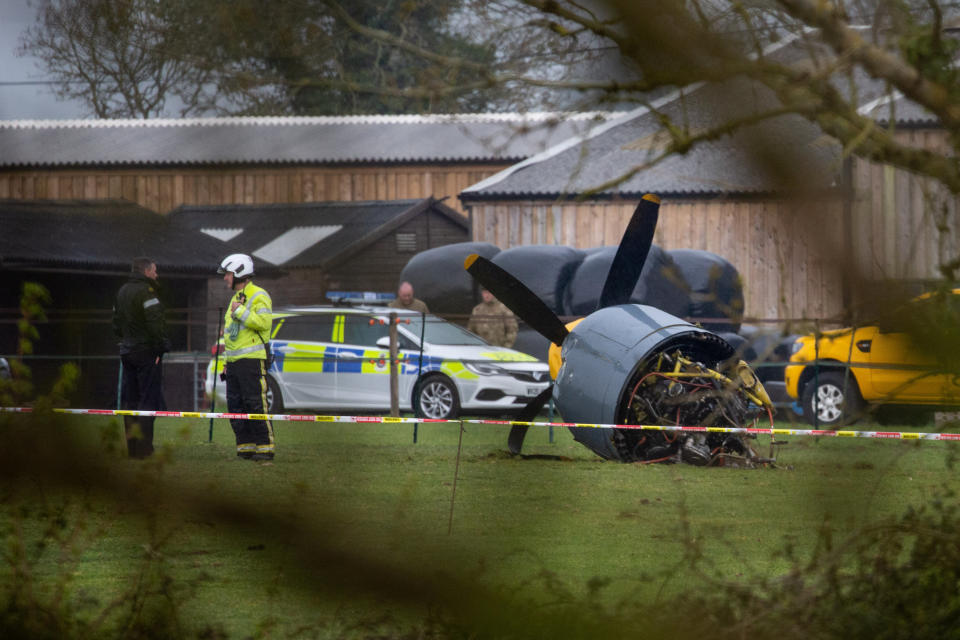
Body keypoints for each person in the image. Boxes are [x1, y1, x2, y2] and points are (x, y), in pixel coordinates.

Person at [218, 253, 276, 462]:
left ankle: (265, 447)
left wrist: (241, 311)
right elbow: (231, 334)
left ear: (239, 272)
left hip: (252, 360)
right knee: (235, 405)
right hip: (233, 363)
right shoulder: (234, 298)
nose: (225, 278)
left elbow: (264, 323)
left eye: (228, 274)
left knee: (255, 404)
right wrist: (226, 362)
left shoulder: (260, 295)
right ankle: (245, 447)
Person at [113, 257, 170, 459]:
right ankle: (145, 450)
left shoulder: (122, 291)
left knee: (131, 401)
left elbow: (116, 323)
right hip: (146, 353)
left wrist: (127, 339)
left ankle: (132, 449)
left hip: (127, 352)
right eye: (155, 271)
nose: (157, 274)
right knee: (148, 401)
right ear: (146, 271)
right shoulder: (147, 292)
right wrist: (161, 347)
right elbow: (155, 323)